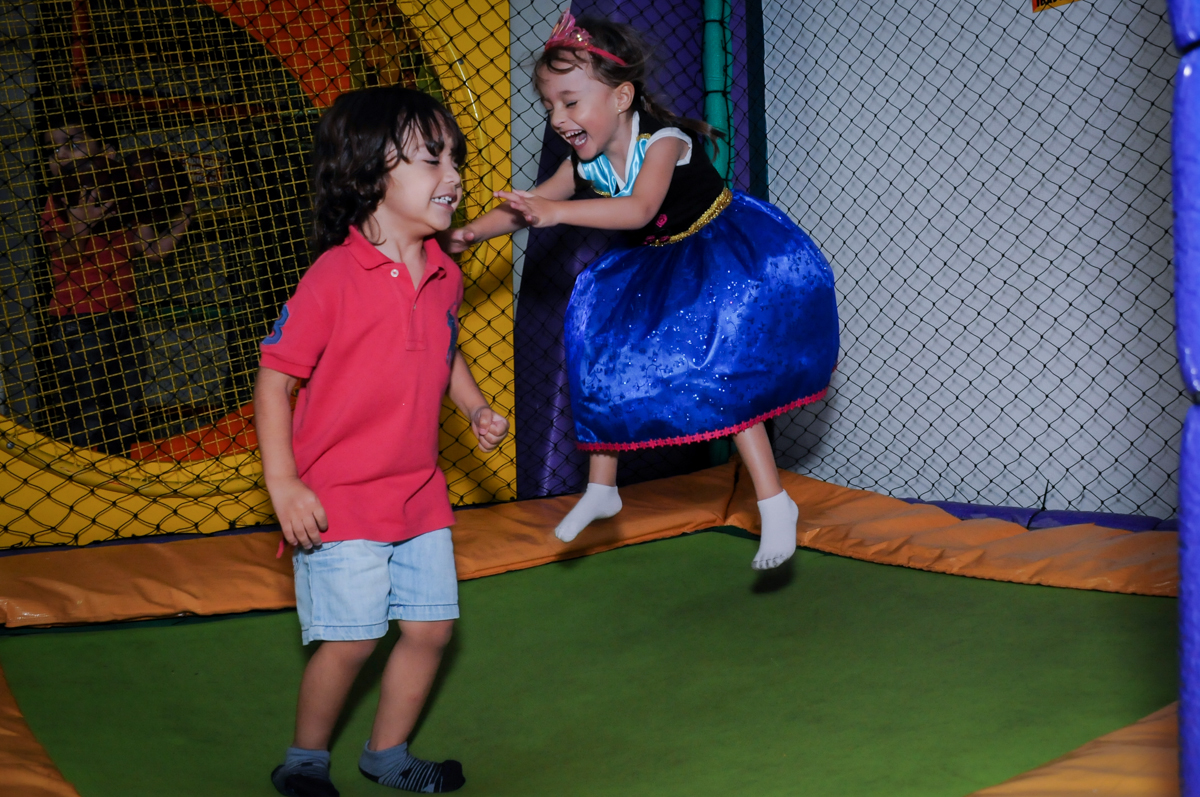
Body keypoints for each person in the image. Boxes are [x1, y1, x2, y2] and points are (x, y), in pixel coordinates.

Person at [446, 13, 839, 570]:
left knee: (722, 372)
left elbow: (639, 209)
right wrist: (471, 232)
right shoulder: (584, 163)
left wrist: (557, 212)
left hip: (718, 248)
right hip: (656, 259)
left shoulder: (663, 142)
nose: (558, 118)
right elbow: (527, 208)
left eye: (570, 102)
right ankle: (602, 488)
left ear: (622, 96)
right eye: (550, 105)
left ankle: (774, 502)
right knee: (600, 348)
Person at [256, 86, 508, 797]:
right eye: (432, 159)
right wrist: (284, 483)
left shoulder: (444, 272)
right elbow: (274, 381)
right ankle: (304, 760)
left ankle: (387, 755)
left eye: (455, 158)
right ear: (369, 172)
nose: (453, 175)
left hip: (418, 491)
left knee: (431, 632)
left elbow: (443, 347)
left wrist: (474, 405)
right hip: (339, 499)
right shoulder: (334, 276)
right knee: (353, 639)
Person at [39, 142, 193, 455]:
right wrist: (81, 221)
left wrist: (186, 213)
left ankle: (116, 466)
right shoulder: (61, 199)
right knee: (83, 410)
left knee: (125, 405)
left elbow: (152, 251)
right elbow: (67, 256)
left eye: (73, 145)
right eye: (54, 150)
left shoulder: (123, 199)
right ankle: (77, 471)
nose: (62, 155)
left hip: (122, 315)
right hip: (76, 320)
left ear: (106, 151)